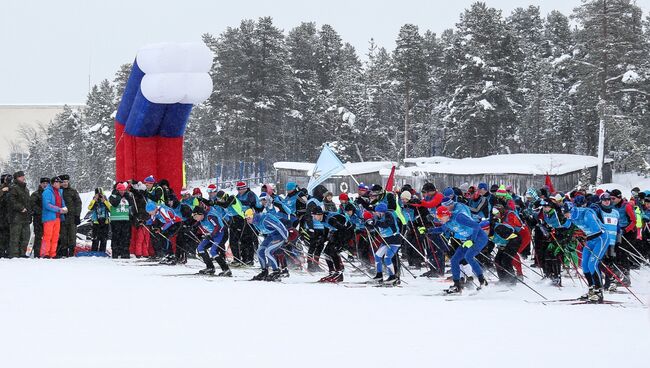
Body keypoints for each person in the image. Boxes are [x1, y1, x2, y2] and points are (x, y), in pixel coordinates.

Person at [430, 206, 489, 294]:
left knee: (468, 256)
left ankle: (482, 280)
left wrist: (471, 240)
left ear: (446, 215)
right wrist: (428, 230)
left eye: (440, 217)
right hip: (467, 240)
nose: (439, 220)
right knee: (454, 260)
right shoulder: (447, 222)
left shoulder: (459, 217)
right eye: (438, 218)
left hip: (479, 238)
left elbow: (476, 226)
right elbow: (441, 229)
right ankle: (457, 285)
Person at [562, 201, 610, 303]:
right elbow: (566, 225)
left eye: (567, 213)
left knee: (592, 264)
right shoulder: (572, 217)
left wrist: (583, 237)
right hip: (590, 239)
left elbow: (597, 230)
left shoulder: (586, 213)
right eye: (565, 214)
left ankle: (599, 291)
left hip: (601, 238)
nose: (566, 216)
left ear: (572, 210)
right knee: (584, 265)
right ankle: (592, 289)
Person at [247, 209, 289, 281]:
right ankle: (264, 272)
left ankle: (276, 271)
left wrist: (285, 238)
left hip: (280, 235)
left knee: (268, 251)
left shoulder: (265, 219)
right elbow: (265, 231)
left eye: (249, 218)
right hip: (271, 235)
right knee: (260, 251)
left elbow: (280, 227)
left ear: (253, 216)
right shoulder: (255, 221)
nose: (248, 221)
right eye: (246, 219)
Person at [367, 202, 401, 285]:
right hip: (385, 241)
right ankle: (379, 275)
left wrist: (375, 223)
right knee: (377, 256)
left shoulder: (389, 215)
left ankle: (392, 276)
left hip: (394, 241)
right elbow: (374, 225)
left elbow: (385, 224)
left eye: (377, 212)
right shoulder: (377, 217)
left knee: (387, 258)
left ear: (382, 212)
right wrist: (368, 223)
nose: (376, 213)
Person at [317, 207, 354, 283]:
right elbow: (326, 231)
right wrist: (321, 241)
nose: (314, 217)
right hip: (338, 232)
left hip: (347, 231)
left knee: (333, 251)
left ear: (320, 214)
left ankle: (339, 273)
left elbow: (342, 229)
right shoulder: (322, 219)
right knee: (327, 251)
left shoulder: (331, 220)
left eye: (315, 215)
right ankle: (332, 272)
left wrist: (340, 243)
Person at [193, 206, 231, 276]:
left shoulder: (209, 217)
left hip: (221, 234)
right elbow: (198, 227)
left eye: (195, 215)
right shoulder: (200, 220)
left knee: (213, 251)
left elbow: (218, 226)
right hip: (212, 235)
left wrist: (211, 235)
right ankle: (210, 267)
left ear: (200, 214)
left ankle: (226, 269)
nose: (194, 218)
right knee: (200, 248)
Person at [234, 181, 262, 266]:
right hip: (242, 219)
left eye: (239, 189)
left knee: (248, 239)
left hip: (251, 218)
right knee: (242, 238)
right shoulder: (238, 195)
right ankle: (244, 258)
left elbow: (250, 204)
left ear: (243, 188)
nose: (238, 191)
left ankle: (250, 259)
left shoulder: (250, 194)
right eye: (237, 189)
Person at [41, 177, 68, 258]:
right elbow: (47, 205)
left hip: (57, 217)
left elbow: (61, 202)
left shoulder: (59, 192)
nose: (60, 184)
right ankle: (45, 253)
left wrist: (65, 208)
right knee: (47, 236)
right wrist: (59, 210)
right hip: (49, 217)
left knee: (55, 236)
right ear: (54, 183)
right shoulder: (47, 192)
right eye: (58, 182)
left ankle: (53, 253)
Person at [8, 171, 32, 258]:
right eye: (21, 176)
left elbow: (28, 203)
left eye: (23, 176)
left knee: (25, 236)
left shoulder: (26, 189)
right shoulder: (13, 187)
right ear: (16, 178)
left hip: (25, 217)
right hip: (16, 217)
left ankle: (23, 253)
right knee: (15, 237)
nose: (23, 177)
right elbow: (12, 200)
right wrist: (20, 208)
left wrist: (30, 213)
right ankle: (14, 255)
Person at [57, 174, 81, 258]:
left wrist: (77, 215)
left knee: (72, 236)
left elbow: (78, 203)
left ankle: (71, 253)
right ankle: (63, 252)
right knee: (63, 236)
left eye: (67, 182)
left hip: (72, 217)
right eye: (63, 182)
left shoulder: (73, 191)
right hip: (61, 217)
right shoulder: (58, 191)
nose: (65, 183)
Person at [109, 182, 135, 258]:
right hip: (115, 220)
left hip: (125, 220)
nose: (122, 192)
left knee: (125, 238)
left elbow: (131, 204)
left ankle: (125, 253)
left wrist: (127, 196)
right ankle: (115, 253)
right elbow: (114, 203)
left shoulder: (127, 196)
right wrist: (119, 197)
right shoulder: (112, 196)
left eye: (123, 190)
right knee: (116, 237)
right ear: (117, 190)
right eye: (120, 190)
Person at [88, 188, 111, 254]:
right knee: (95, 238)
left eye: (100, 194)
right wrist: (94, 200)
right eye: (98, 194)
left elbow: (110, 209)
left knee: (104, 239)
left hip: (105, 222)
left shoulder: (105, 200)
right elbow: (89, 208)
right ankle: (94, 252)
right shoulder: (94, 200)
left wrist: (105, 201)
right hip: (96, 222)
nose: (99, 196)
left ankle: (102, 252)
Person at [30, 178, 49, 258]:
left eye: (46, 183)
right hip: (38, 218)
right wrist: (41, 212)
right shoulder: (36, 194)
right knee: (38, 236)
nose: (45, 184)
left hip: (48, 219)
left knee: (47, 236)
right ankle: (37, 253)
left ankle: (45, 252)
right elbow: (32, 205)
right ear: (40, 184)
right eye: (43, 183)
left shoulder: (50, 194)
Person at [0, 174, 13, 257]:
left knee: (9, 234)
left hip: (9, 214)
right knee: (2, 234)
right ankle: (1, 251)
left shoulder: (12, 188)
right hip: (2, 214)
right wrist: (2, 191)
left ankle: (8, 251)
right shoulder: (2, 188)